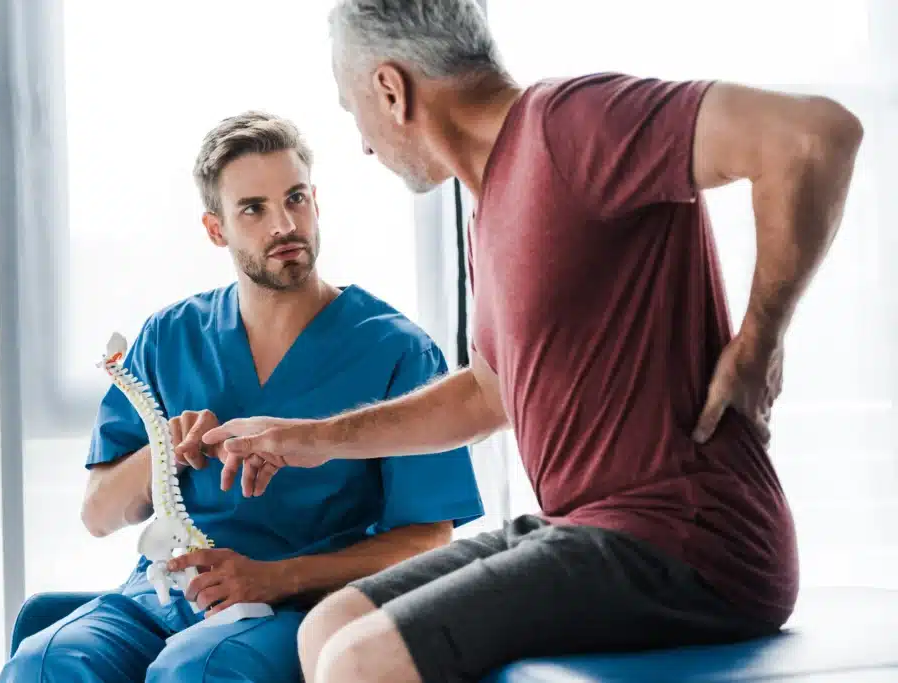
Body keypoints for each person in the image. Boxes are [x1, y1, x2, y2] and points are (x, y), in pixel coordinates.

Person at [198, 2, 865, 682]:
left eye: (352, 110)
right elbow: (490, 394)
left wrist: (758, 343)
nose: (364, 144)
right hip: (582, 527)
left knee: (360, 663)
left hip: (690, 539)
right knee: (330, 625)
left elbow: (812, 136)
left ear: (391, 91)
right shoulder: (487, 213)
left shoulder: (572, 124)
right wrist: (303, 439)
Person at [0, 110, 485, 683]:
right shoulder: (169, 337)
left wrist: (275, 578)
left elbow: (428, 540)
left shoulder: (395, 351)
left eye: (296, 198)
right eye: (253, 209)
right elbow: (99, 514)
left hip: (295, 602)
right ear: (216, 228)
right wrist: (164, 454)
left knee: (201, 670)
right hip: (161, 596)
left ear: (316, 203)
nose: (284, 224)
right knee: (47, 662)